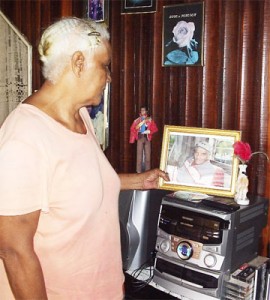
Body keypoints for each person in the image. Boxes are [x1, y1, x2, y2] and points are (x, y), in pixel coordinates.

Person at [0, 17, 169, 300]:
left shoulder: (79, 118)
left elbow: (75, 185)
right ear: (79, 63)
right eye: (104, 66)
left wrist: (139, 181)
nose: (109, 77)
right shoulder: (24, 137)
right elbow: (13, 250)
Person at [129, 106, 158, 173]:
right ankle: (138, 172)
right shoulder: (137, 121)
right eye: (141, 110)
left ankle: (147, 172)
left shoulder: (150, 120)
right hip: (140, 138)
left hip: (147, 138)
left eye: (144, 110)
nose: (142, 112)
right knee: (139, 157)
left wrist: (149, 131)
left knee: (148, 157)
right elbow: (133, 129)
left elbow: (155, 129)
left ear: (146, 111)